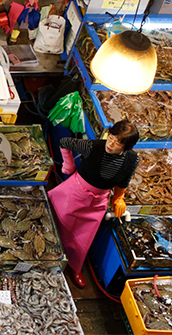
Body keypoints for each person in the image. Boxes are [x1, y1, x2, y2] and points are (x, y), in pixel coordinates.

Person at [50, 119, 139, 289]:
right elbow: (64, 142)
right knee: (57, 222)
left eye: (118, 143)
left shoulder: (132, 160)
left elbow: (124, 182)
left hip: (98, 201)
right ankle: (51, 258)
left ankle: (75, 267)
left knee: (84, 237)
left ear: (126, 147)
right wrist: (69, 166)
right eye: (111, 137)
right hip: (75, 191)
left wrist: (118, 198)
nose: (111, 144)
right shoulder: (93, 146)